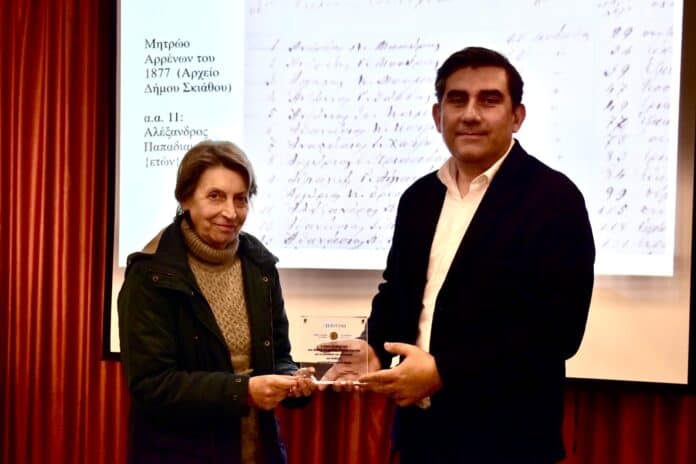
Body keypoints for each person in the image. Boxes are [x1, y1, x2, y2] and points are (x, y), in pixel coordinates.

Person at [324, 47, 595, 463]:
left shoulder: (555, 199)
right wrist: (373, 347)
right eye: (457, 100)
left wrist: (444, 372)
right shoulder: (418, 198)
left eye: (488, 100)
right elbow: (397, 292)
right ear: (438, 116)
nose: (470, 114)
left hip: (510, 444)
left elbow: (557, 331)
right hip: (422, 437)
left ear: (517, 116)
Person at [118, 140, 316, 464]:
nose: (230, 212)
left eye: (241, 199)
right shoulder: (151, 275)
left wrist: (293, 380)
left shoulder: (260, 266)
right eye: (215, 196)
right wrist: (244, 391)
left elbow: (278, 354)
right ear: (185, 199)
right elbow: (152, 385)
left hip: (257, 451)